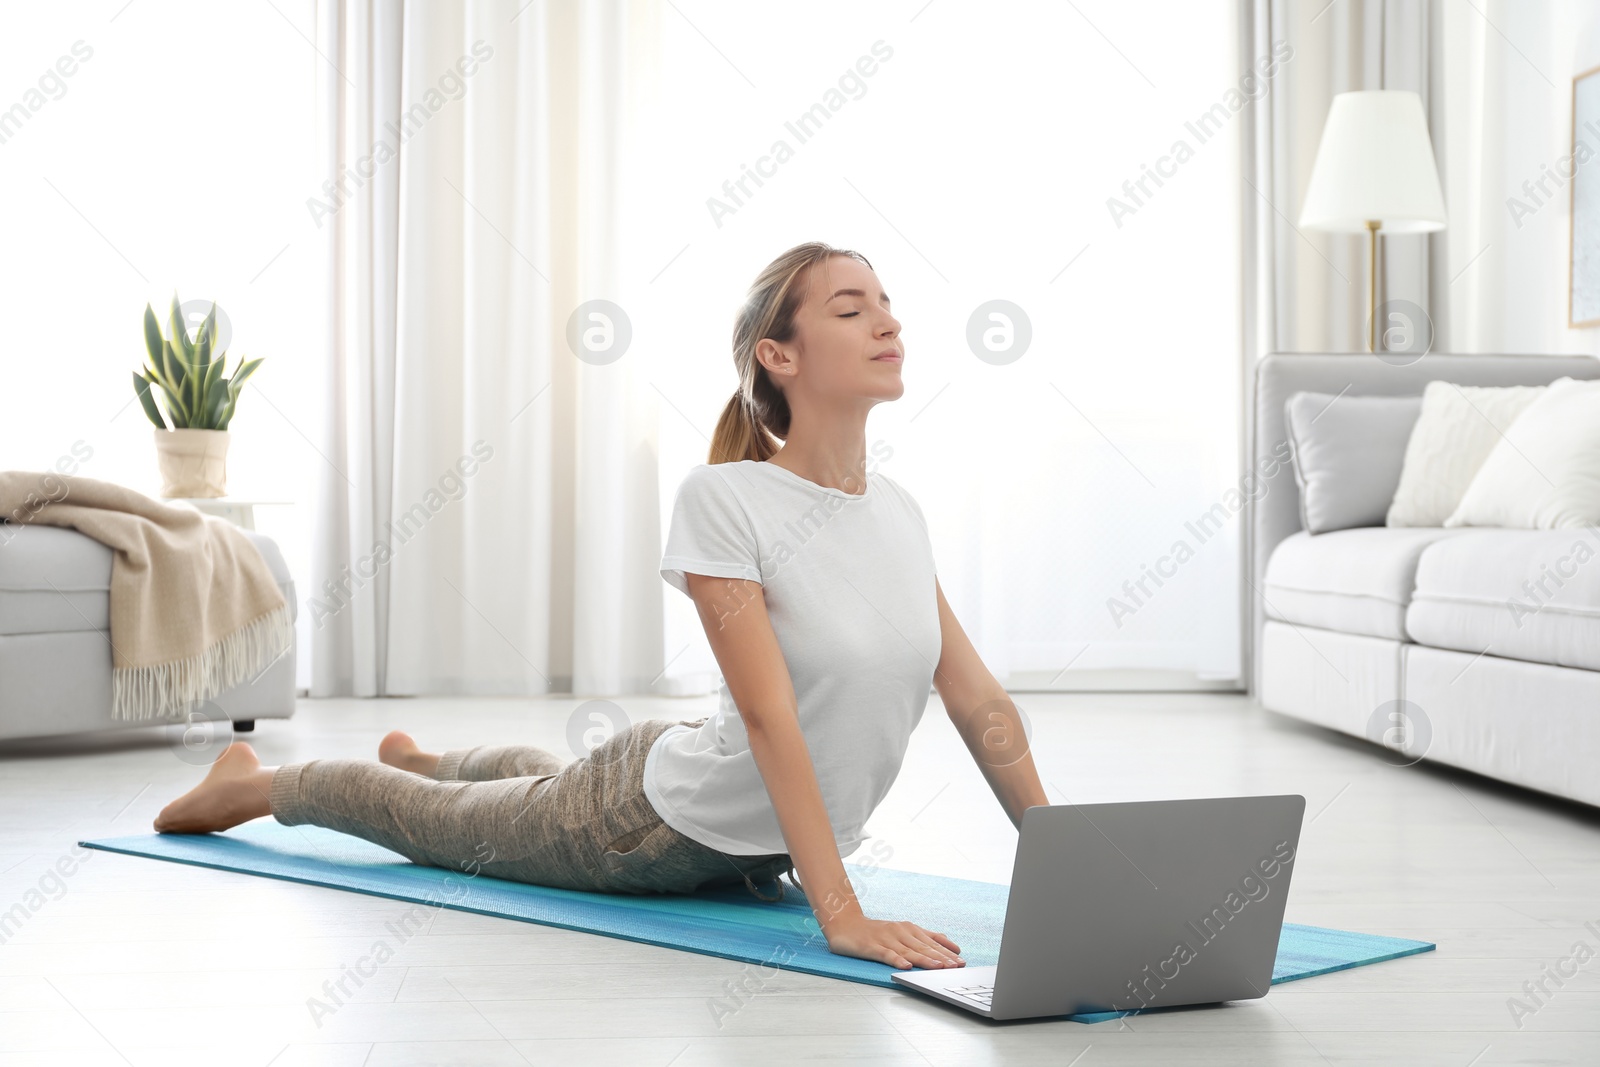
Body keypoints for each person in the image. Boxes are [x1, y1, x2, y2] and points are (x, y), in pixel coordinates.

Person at [154, 241, 1048, 972]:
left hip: (711, 799)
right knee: (443, 827)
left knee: (539, 786)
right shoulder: (726, 498)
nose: (888, 320)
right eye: (851, 309)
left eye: (887, 303)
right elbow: (774, 719)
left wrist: (1057, 859)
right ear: (780, 355)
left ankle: (434, 755)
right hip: (646, 825)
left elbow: (977, 699)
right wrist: (842, 914)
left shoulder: (897, 511)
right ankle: (258, 784)